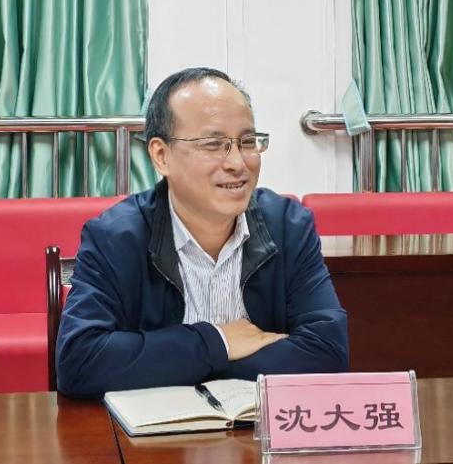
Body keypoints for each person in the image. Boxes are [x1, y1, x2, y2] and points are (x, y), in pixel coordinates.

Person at [56, 67, 348, 398]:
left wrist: (177, 364)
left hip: (254, 426)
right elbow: (80, 361)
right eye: (213, 144)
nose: (237, 163)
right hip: (154, 428)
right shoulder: (115, 237)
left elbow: (328, 352)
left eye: (247, 142)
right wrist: (219, 342)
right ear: (161, 156)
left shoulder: (288, 226)